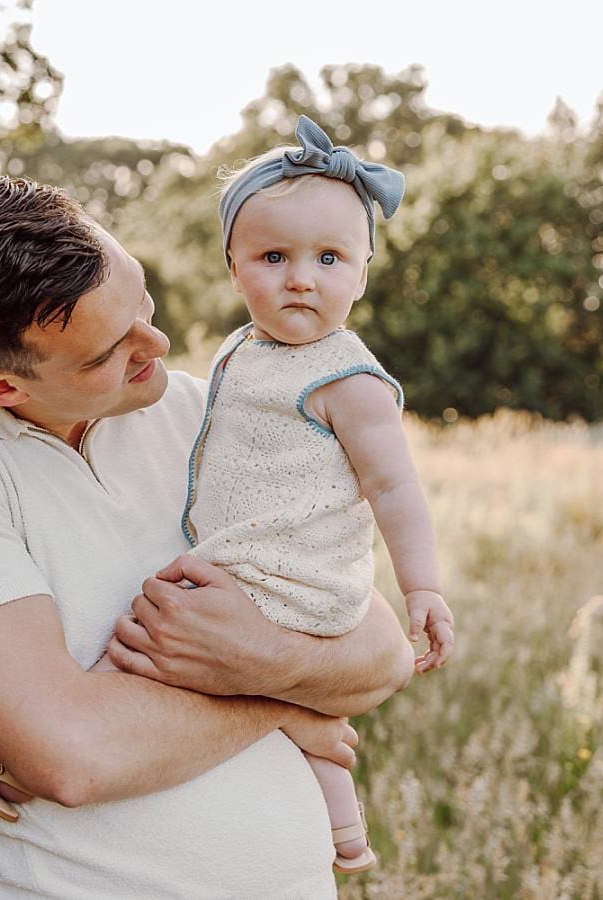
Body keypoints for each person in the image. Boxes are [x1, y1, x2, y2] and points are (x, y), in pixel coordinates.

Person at [0, 173, 415, 898]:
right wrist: (289, 695)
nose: (158, 343)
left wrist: (256, 661)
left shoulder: (209, 411)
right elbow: (72, 758)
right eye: (109, 351)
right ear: (1, 387)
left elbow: (383, 652)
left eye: (141, 302)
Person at [185, 116, 455, 873]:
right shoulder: (242, 349)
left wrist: (422, 586)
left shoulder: (348, 378)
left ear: (363, 274)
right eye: (274, 256)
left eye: (330, 258)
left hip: (295, 576)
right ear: (234, 266)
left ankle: (20, 736)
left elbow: (395, 487)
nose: (302, 277)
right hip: (250, 561)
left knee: (150, 635)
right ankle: (339, 821)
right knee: (181, 632)